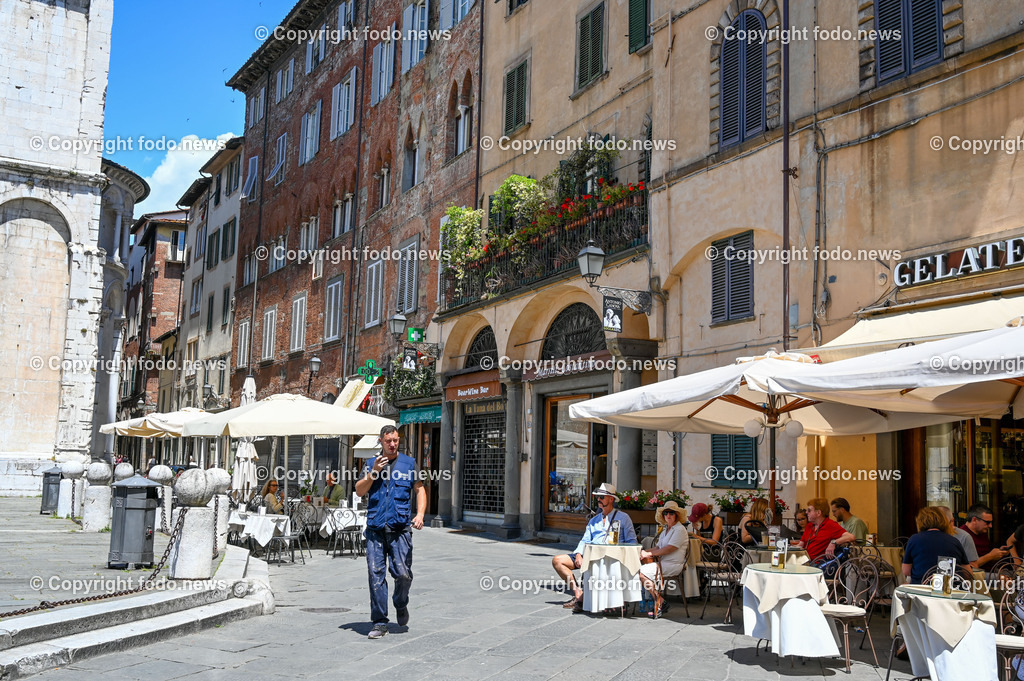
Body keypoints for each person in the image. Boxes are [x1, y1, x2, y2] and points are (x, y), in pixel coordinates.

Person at [354, 425, 426, 640]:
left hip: (400, 528)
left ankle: (400, 602)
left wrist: (420, 514)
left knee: (403, 574)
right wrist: (374, 472)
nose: (393, 444)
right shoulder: (370, 464)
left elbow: (420, 489)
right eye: (388, 441)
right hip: (376, 528)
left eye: (395, 440)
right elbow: (359, 490)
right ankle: (379, 621)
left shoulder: (409, 463)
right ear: (381, 441)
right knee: (375, 575)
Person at [552, 483, 637, 613]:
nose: (598, 500)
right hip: (590, 554)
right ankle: (579, 594)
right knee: (558, 561)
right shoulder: (594, 520)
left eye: (602, 497)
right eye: (597, 497)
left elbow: (632, 541)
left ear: (611, 499)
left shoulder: (623, 518)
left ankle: (604, 600)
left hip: (612, 555)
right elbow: (585, 540)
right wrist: (579, 554)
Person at [639, 501, 688, 619]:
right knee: (638, 569)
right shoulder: (666, 529)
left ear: (677, 515)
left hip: (673, 564)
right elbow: (658, 547)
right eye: (666, 513)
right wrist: (642, 552)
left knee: (640, 573)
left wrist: (647, 554)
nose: (668, 515)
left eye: (671, 513)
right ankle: (659, 600)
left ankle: (659, 601)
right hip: (662, 563)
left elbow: (669, 548)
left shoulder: (679, 529)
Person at [903, 506, 969, 584]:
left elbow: (906, 571)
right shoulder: (954, 541)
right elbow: (968, 573)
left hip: (921, 587)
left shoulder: (914, 539)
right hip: (949, 588)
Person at [960, 503, 1008, 569]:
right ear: (974, 520)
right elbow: (969, 566)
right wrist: (990, 556)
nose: (990, 526)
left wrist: (998, 553)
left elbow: (986, 558)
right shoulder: (962, 536)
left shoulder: (982, 532)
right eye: (987, 522)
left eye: (991, 522)